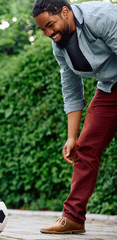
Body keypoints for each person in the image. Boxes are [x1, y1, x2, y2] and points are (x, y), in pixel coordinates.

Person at [32, 0, 117, 234]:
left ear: (66, 12)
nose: (50, 34)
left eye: (51, 25)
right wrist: (72, 137)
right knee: (86, 147)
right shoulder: (59, 45)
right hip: (109, 87)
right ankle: (73, 218)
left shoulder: (101, 17)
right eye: (43, 30)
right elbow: (71, 90)